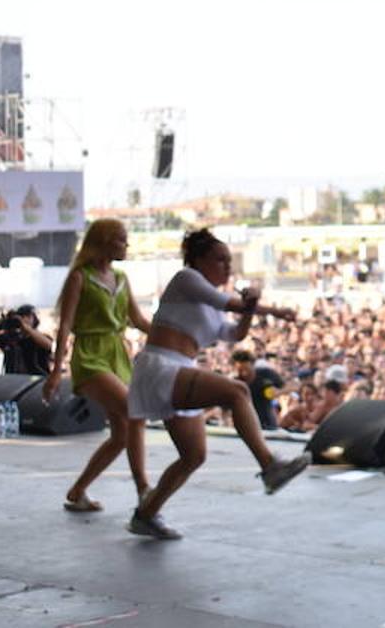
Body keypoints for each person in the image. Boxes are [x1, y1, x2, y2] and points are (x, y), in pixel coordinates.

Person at [126, 229, 311, 539]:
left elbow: (235, 333)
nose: (227, 267)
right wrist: (272, 310)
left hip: (177, 368)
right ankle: (269, 466)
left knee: (193, 456)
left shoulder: (208, 304)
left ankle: (145, 515)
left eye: (229, 260)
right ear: (199, 260)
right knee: (237, 391)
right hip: (162, 366)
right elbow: (230, 305)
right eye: (220, 260)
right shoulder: (187, 279)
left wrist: (251, 309)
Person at [43, 219, 153, 511]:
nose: (126, 245)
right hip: (90, 355)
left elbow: (139, 321)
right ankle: (144, 490)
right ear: (103, 241)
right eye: (120, 239)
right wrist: (56, 371)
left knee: (120, 436)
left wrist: (175, 337)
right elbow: (65, 325)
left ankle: (78, 491)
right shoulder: (80, 277)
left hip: (118, 355)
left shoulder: (122, 278)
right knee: (135, 411)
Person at [231, 349, 284, 430]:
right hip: (243, 426)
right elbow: (225, 410)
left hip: (267, 424)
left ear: (253, 365)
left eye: (247, 369)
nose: (244, 373)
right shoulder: (234, 383)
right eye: (240, 370)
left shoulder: (266, 374)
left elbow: (288, 386)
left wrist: (278, 392)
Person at [0, 304, 52, 376]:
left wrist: (27, 328)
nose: (25, 319)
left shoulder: (42, 337)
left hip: (38, 379)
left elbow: (50, 346)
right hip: (14, 381)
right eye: (22, 316)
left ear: (35, 319)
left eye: (28, 316)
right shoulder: (10, 338)